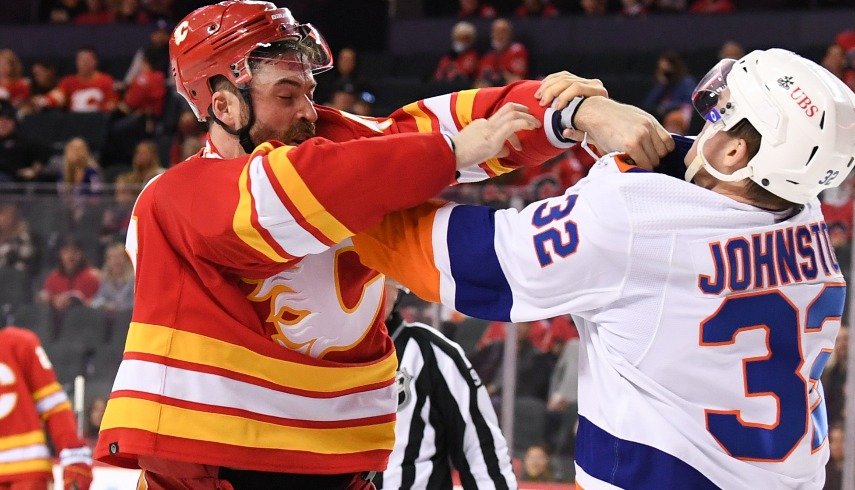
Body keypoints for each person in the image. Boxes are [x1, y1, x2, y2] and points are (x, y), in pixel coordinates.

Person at [95, 2, 671, 488]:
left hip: (343, 463)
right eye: (287, 93)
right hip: (218, 463)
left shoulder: (342, 145)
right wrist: (449, 153)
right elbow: (287, 194)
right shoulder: (169, 199)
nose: (307, 110)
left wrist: (577, 111)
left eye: (310, 90)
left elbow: (460, 118)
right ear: (223, 106)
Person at [351, 48, 855, 488]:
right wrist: (605, 118)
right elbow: (690, 192)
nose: (706, 117)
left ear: (733, 150)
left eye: (721, 113)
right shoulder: (804, 212)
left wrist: (326, 197)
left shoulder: (634, 221)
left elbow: (459, 262)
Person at [375, 283, 516, 489]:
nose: (369, 291)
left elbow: (481, 451)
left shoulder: (432, 353)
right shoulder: (314, 355)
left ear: (398, 290)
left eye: (381, 280)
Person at [0, 325, 93, 490]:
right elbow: (54, 407)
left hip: (26, 474)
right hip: (27, 471)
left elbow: (53, 406)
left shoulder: (19, 343)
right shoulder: (21, 342)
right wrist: (75, 460)